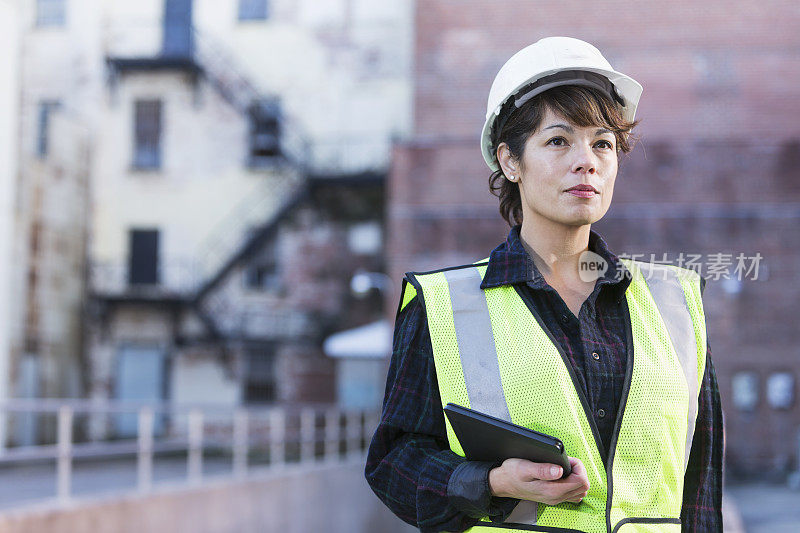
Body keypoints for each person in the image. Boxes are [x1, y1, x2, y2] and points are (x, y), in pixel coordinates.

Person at [366, 36, 724, 533]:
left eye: (602, 142)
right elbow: (393, 464)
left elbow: (701, 490)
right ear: (511, 161)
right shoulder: (445, 307)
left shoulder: (674, 303)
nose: (587, 161)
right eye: (559, 141)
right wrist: (488, 482)